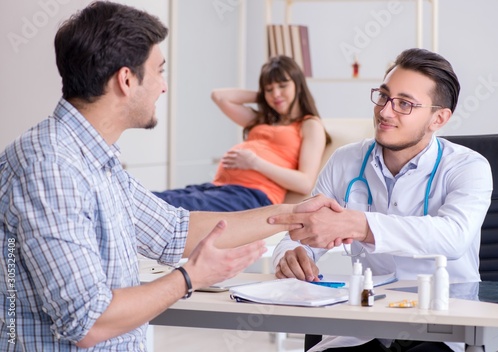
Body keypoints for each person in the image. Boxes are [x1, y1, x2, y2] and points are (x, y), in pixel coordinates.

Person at [0, 2, 298, 350]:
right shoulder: (49, 166)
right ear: (126, 80)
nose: (164, 87)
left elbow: (174, 231)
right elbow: (89, 321)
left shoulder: (96, 160)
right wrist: (190, 277)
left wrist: (295, 216)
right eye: (159, 71)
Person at [269, 48, 493, 352]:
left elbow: (454, 236)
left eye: (404, 104)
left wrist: (360, 225)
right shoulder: (345, 161)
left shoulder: (469, 167)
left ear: (438, 118)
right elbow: (303, 231)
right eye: (384, 96)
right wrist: (291, 254)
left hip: (442, 325)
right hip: (366, 322)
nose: (385, 112)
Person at [152, 55, 331, 211]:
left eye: (283, 86)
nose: (276, 93)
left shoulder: (309, 124)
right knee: (150, 199)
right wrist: (264, 96)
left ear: (298, 85)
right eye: (269, 89)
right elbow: (219, 97)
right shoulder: (263, 120)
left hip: (252, 196)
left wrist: (254, 163)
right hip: (219, 188)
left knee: (165, 206)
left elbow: (305, 182)